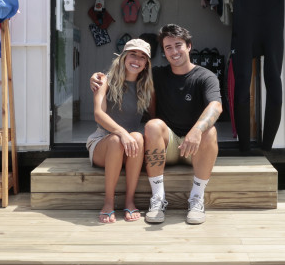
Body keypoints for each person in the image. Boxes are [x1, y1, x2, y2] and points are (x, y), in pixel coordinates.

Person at [92, 24, 222, 225]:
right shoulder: (155, 76)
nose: (174, 51)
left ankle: (196, 198)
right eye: (168, 48)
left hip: (194, 146)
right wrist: (97, 76)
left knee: (209, 131)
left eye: (178, 45)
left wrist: (197, 130)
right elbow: (118, 86)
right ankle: (157, 199)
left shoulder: (204, 77)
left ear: (189, 46)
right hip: (156, 144)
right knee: (148, 128)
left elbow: (216, 106)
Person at [86, 38, 154, 223]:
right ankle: (108, 202)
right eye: (133, 54)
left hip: (130, 147)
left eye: (142, 57)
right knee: (117, 140)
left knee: (138, 137)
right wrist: (122, 133)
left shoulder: (146, 88)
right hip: (104, 142)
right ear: (123, 57)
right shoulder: (104, 80)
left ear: (146, 63)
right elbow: (99, 114)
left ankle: (129, 201)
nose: (137, 59)